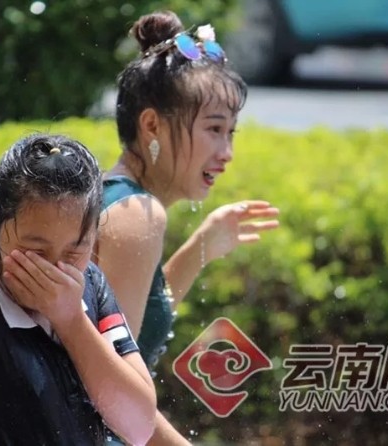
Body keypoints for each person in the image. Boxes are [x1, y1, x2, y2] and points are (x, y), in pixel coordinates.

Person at [94, 10, 280, 446]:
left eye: (231, 132)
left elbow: (130, 327)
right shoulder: (136, 215)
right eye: (214, 129)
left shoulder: (116, 197)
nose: (227, 152)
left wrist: (200, 249)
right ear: (152, 125)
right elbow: (111, 386)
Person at [0, 133, 157, 446]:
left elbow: (139, 427)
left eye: (74, 252)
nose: (54, 271)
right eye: (35, 252)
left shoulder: (91, 285)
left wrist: (73, 323)